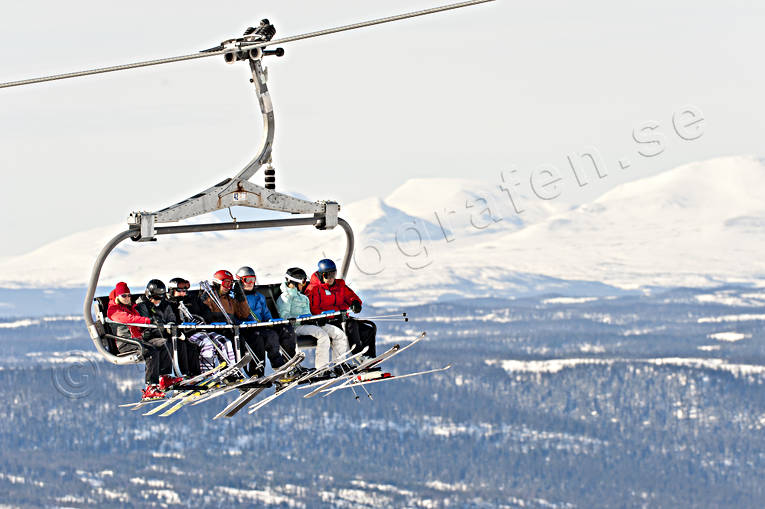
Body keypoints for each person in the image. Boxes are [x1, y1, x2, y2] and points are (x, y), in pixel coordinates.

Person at [106, 281, 179, 400]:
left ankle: (164, 378)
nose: (127, 298)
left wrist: (154, 324)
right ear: (118, 296)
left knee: (164, 342)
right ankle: (151, 386)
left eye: (128, 295)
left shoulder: (131, 307)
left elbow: (138, 321)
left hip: (138, 339)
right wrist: (148, 321)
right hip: (126, 342)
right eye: (123, 296)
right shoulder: (113, 310)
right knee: (150, 350)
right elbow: (128, 319)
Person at [276, 267, 350, 373]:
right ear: (294, 282)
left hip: (309, 324)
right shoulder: (285, 298)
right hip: (296, 327)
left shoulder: (303, 298)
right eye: (302, 281)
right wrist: (298, 320)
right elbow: (284, 316)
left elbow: (309, 313)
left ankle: (339, 364)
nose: (304, 284)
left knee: (339, 334)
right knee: (322, 335)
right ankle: (322, 368)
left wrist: (316, 319)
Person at [235, 266, 306, 377]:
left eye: (253, 279)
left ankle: (289, 364)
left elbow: (266, 314)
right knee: (269, 336)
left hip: (262, 326)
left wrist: (270, 322)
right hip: (247, 330)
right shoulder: (235, 298)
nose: (250, 283)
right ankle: (258, 371)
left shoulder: (259, 297)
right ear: (239, 281)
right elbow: (236, 316)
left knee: (286, 330)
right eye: (247, 280)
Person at [305, 259, 377, 362]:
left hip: (341, 318)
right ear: (321, 275)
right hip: (326, 321)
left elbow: (351, 296)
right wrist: (324, 316)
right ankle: (358, 355)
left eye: (333, 274)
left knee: (369, 328)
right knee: (351, 324)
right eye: (327, 275)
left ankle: (369, 357)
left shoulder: (340, 285)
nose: (331, 278)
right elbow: (312, 308)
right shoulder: (313, 289)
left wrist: (355, 303)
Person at [166, 277, 202, 376]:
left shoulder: (188, 302)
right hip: (174, 334)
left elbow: (197, 315)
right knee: (183, 345)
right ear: (172, 291)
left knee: (192, 345)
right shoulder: (169, 304)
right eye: (180, 290)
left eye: (185, 290)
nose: (183, 293)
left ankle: (196, 374)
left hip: (187, 333)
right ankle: (184, 374)